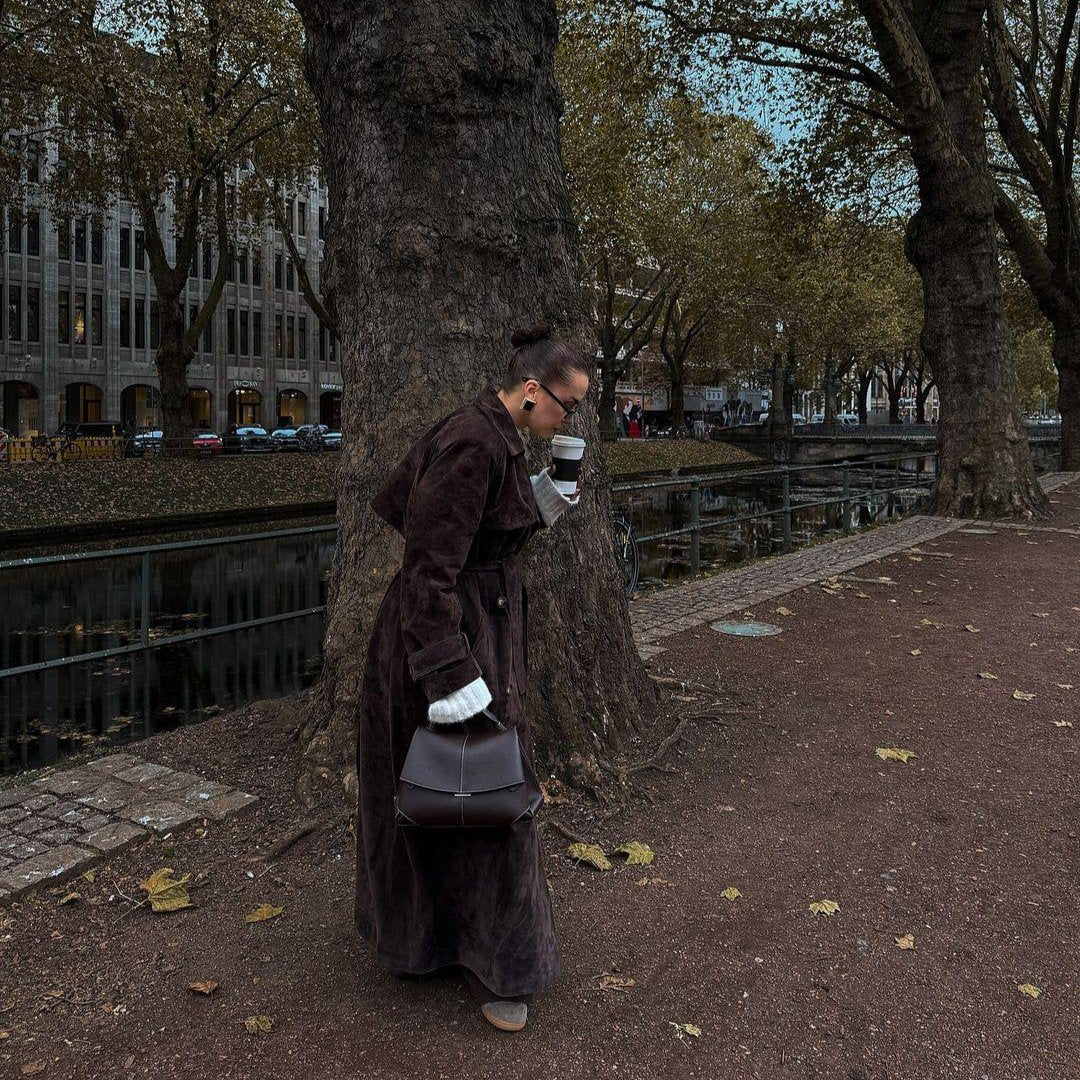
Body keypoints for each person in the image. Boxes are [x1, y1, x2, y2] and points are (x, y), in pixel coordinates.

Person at [354, 324, 591, 1034]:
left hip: (470, 630)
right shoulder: (474, 443)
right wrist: (450, 676)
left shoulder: (495, 436)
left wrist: (542, 500)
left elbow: (474, 531)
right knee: (481, 794)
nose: (570, 420)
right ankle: (494, 968)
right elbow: (428, 571)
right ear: (532, 391)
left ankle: (437, 946)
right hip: (446, 641)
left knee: (464, 792)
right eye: (568, 405)